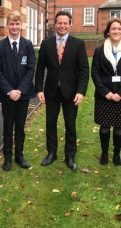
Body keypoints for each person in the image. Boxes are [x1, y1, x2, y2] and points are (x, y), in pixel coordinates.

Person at [35, 11, 89, 170]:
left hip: (71, 92)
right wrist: (39, 89)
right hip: (51, 91)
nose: (62, 26)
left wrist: (81, 91)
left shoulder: (78, 44)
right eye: (59, 23)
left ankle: (70, 155)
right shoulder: (46, 44)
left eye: (65, 23)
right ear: (55, 24)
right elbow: (40, 69)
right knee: (50, 123)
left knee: (70, 124)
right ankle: (51, 153)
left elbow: (84, 70)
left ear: (70, 25)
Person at [91, 18, 121, 166]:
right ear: (108, 32)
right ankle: (104, 153)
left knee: (119, 127)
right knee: (104, 127)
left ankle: (116, 154)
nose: (116, 31)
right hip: (104, 95)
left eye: (119, 29)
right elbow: (95, 72)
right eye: (113, 29)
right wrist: (105, 92)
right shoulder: (99, 50)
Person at [0, 11, 36, 171]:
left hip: (23, 95)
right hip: (7, 95)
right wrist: (10, 91)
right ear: (7, 25)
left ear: (21, 25)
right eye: (11, 24)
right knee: (7, 127)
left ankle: (19, 156)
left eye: (17, 24)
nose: (14, 27)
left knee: (20, 127)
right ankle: (8, 158)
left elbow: (30, 69)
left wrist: (20, 90)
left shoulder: (27, 45)